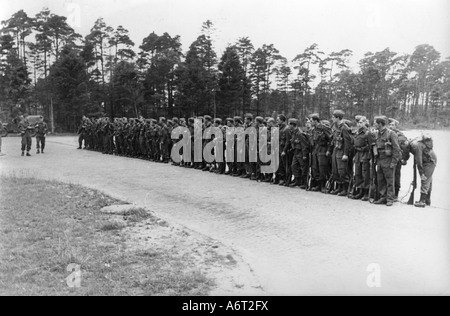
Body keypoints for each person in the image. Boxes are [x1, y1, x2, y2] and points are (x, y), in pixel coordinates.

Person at [373, 116, 401, 206]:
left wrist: (394, 162)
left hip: (388, 159)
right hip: (380, 159)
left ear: (380, 124)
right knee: (380, 179)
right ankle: (383, 197)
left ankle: (390, 199)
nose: (374, 125)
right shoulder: (377, 134)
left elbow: (396, 149)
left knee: (389, 180)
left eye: (375, 123)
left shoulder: (391, 134)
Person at [328, 110, 353, 196]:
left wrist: (346, 154)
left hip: (342, 151)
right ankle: (339, 187)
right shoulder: (335, 126)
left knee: (342, 170)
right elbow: (332, 139)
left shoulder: (344, 128)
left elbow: (347, 142)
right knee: (335, 170)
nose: (332, 118)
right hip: (336, 149)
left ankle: (345, 189)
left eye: (333, 117)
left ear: (337, 117)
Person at [409, 134, 437, 207]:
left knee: (424, 179)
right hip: (431, 159)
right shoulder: (419, 144)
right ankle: (427, 199)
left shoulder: (417, 146)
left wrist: (421, 173)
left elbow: (419, 161)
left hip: (429, 162)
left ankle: (422, 201)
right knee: (428, 180)